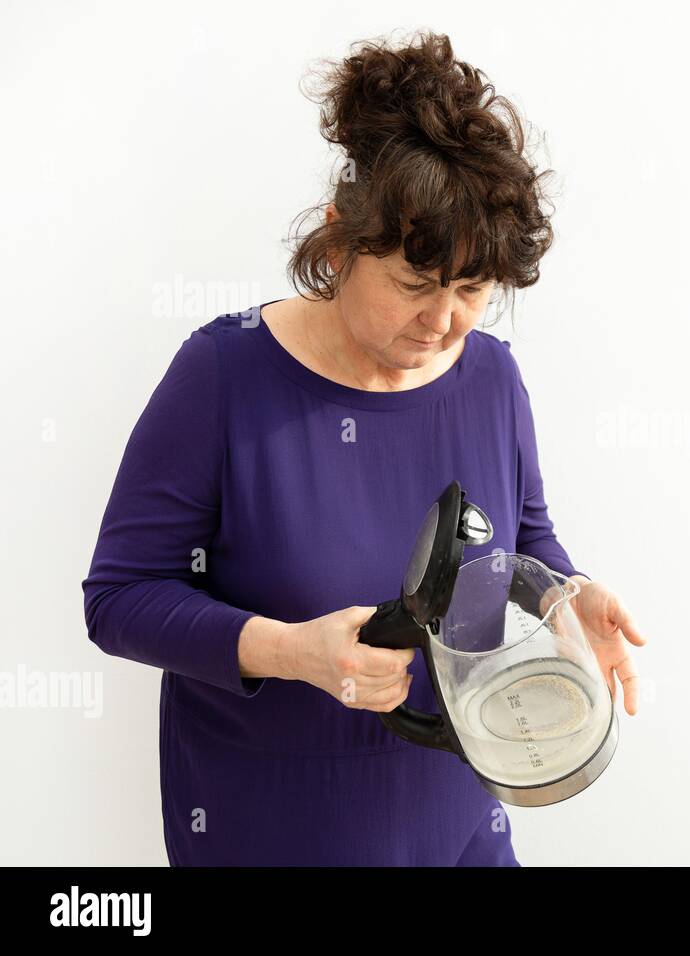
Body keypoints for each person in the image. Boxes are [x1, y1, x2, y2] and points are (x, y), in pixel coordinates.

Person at [81, 29, 646, 866]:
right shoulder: (224, 376)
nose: (445, 320)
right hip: (273, 831)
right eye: (416, 285)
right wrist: (287, 651)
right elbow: (119, 598)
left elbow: (516, 547)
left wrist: (567, 596)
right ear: (342, 239)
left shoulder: (490, 379)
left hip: (461, 830)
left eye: (472, 289)